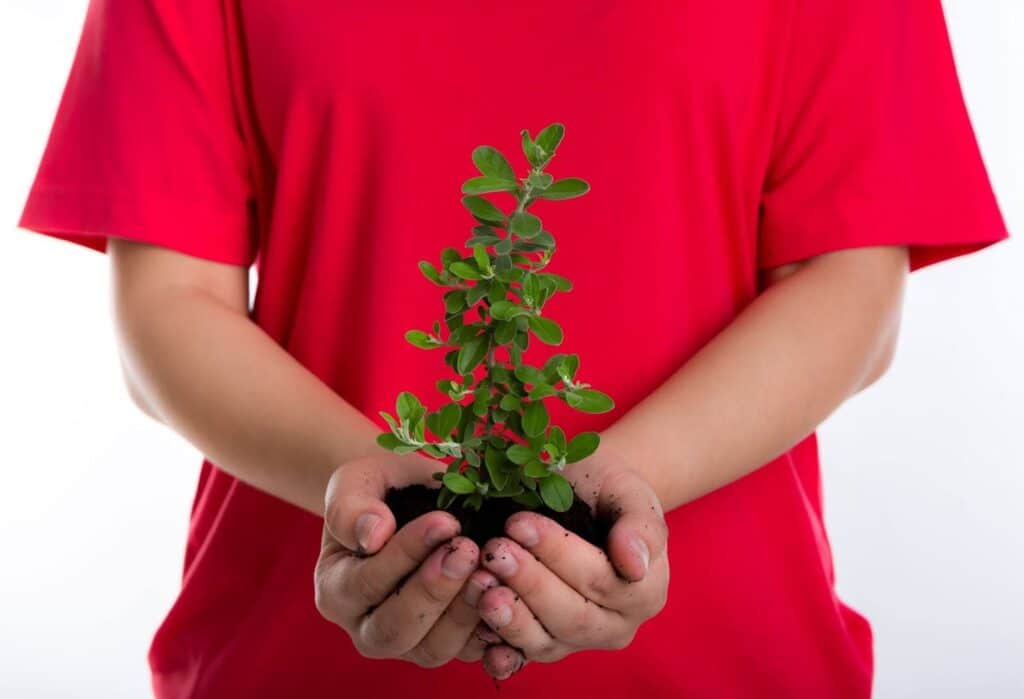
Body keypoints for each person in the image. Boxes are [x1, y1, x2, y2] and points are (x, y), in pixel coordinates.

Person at [18, 1, 1008, 697]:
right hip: (294, 667)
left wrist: (622, 494)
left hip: (728, 667)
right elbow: (166, 307)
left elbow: (849, 287)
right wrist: (365, 489)